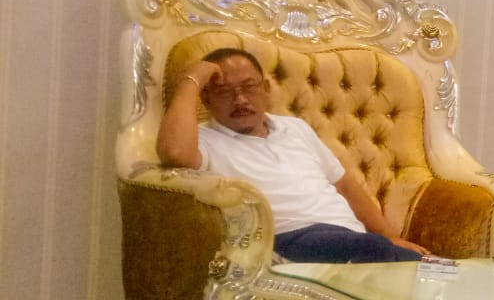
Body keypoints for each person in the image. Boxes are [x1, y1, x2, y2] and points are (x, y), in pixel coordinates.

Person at [156, 48, 429, 264]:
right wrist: (192, 79)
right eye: (225, 92)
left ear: (266, 88)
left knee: (426, 267)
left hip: (349, 238)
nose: (240, 100)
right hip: (282, 240)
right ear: (206, 99)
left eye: (249, 87)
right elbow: (174, 154)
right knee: (381, 254)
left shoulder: (295, 128)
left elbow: (345, 185)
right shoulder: (204, 140)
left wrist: (390, 237)